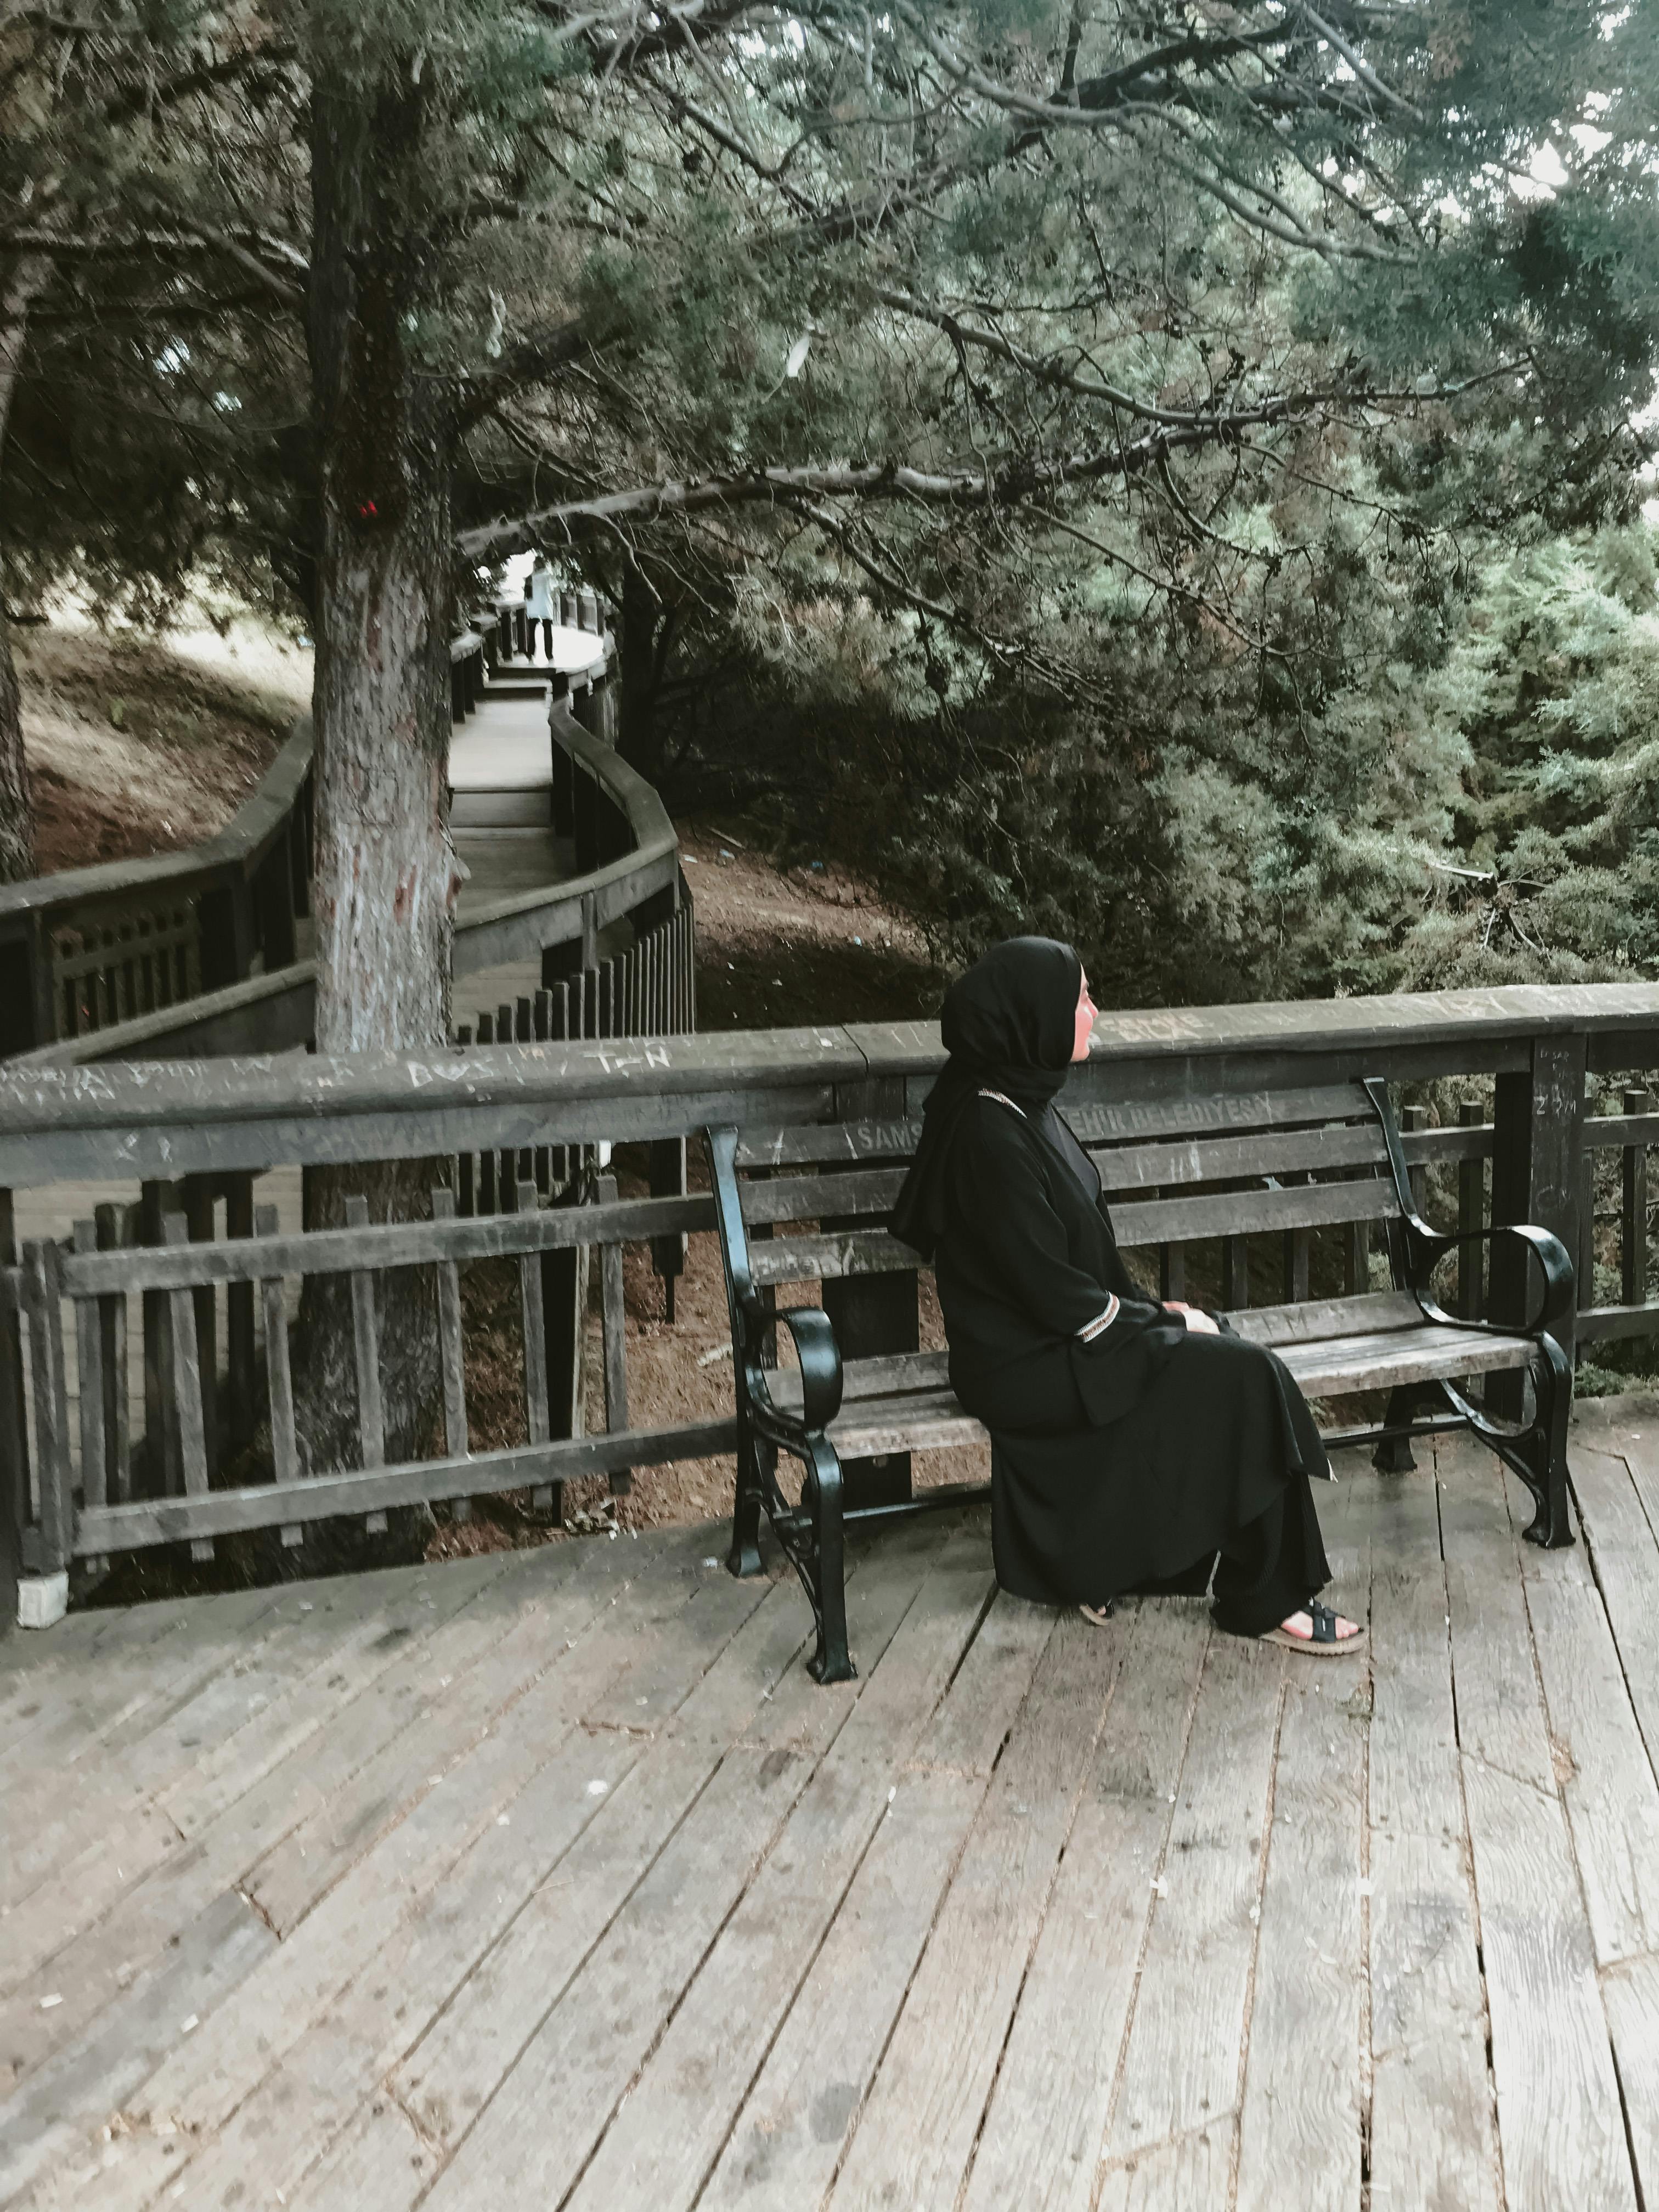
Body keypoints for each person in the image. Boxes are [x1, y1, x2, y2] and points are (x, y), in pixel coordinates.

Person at [890, 936, 1364, 1653]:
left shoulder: (1024, 1100)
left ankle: (1127, 1560)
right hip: (1023, 1363)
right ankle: (1268, 1600)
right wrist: (1157, 1327)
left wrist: (1165, 1315)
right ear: (1034, 1013)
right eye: (1080, 996)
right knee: (1245, 1377)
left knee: (1225, 1353)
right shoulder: (987, 1133)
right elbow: (1054, 1293)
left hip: (1059, 1337)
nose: (1094, 1010)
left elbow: (1087, 1260)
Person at [525, 554, 556, 661]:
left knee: (532, 631)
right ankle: (549, 655)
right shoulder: (548, 577)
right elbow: (551, 591)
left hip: (533, 607)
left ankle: (531, 654)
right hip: (545, 606)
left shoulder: (529, 578)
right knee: (547, 630)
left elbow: (527, 596)